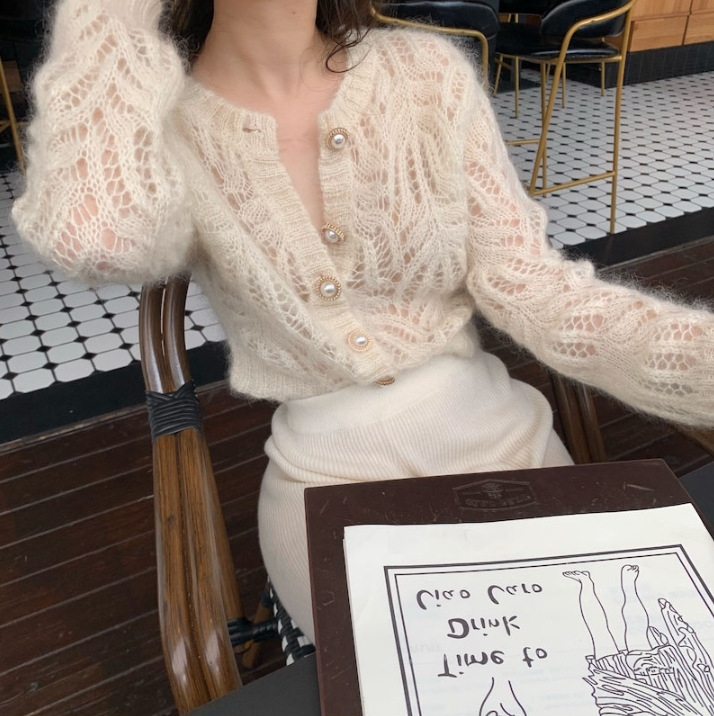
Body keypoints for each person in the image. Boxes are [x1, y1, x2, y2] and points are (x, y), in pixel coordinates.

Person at [12, 0, 714, 642]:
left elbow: (538, 291)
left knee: (609, 652)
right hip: (322, 479)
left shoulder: (425, 74)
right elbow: (95, 240)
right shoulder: (158, 128)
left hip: (501, 442)